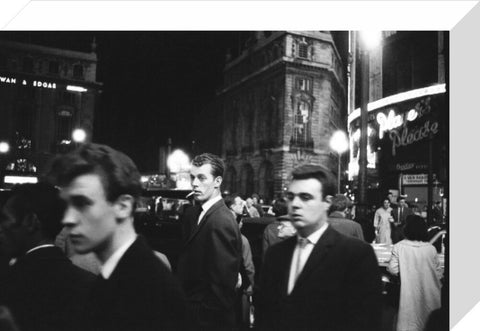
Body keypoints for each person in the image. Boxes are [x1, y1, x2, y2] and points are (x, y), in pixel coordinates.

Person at [47, 143, 186, 331]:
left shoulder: (144, 290)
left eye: (82, 203)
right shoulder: (124, 274)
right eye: (67, 205)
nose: (68, 218)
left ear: (123, 206)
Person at [258, 164, 382, 331]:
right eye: (291, 196)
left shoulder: (355, 254)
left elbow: (365, 322)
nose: (295, 204)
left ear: (327, 202)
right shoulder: (276, 254)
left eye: (306, 197)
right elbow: (265, 316)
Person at [0, 183, 95, 331]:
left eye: (5, 218)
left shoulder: (9, 282)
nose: (1, 228)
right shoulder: (89, 283)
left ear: (31, 221)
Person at [176, 153, 242, 330]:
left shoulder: (221, 221)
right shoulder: (198, 212)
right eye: (193, 177)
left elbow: (222, 289)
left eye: (202, 178)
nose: (195, 183)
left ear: (217, 181)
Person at [388, 215, 442, 331]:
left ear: (406, 229)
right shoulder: (430, 249)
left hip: (408, 293)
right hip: (430, 293)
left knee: (409, 323)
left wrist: (406, 271)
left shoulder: (399, 247)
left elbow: (392, 269)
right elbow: (438, 273)